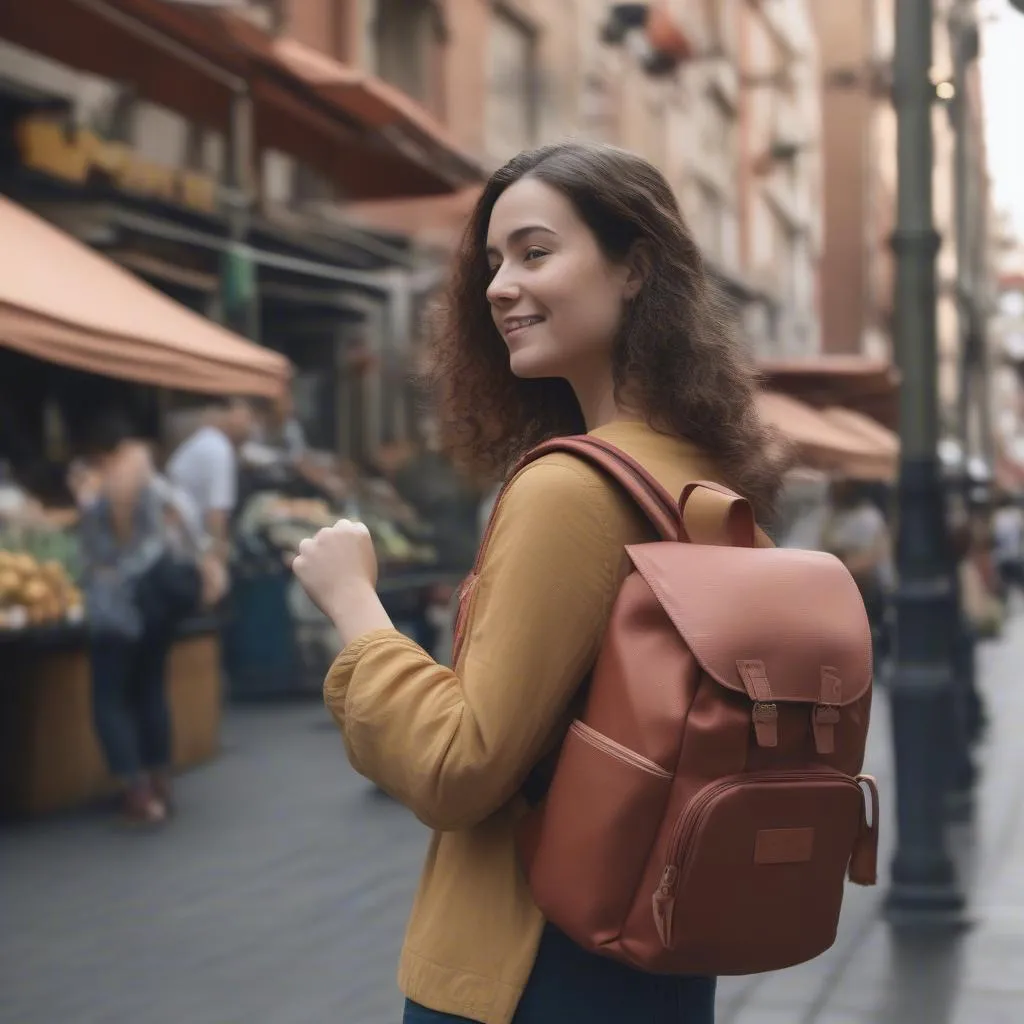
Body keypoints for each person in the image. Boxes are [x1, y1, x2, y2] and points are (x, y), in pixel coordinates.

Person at [292, 142, 788, 1024]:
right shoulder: (706, 476)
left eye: (534, 252)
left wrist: (353, 605)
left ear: (634, 269)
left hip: (523, 970)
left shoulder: (570, 489)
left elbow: (458, 768)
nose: (497, 287)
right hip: (661, 957)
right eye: (491, 262)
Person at [74, 412, 208, 825]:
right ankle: (160, 781)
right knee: (150, 692)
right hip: (155, 609)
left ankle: (136, 791)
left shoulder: (96, 499)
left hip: (114, 614)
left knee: (110, 701)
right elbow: (173, 541)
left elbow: (94, 560)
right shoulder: (152, 492)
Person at [166, 396, 255, 564]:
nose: (249, 427)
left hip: (176, 542)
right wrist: (217, 563)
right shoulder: (218, 448)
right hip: (184, 552)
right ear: (230, 415)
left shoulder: (206, 440)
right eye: (247, 418)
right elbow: (216, 514)